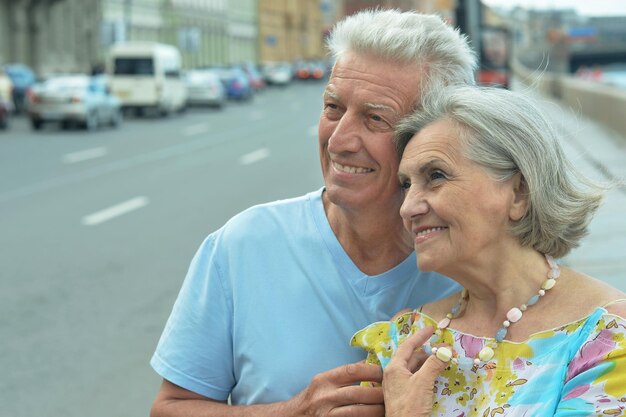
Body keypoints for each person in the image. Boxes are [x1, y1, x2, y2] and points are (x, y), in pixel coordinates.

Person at [149, 8, 477, 417]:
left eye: (375, 118)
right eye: (333, 108)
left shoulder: (475, 267)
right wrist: (291, 411)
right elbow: (172, 408)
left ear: (435, 137)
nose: (338, 140)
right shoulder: (242, 245)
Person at [351, 85, 626, 416]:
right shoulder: (402, 340)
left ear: (519, 192)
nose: (408, 207)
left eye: (435, 176)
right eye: (407, 185)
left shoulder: (606, 340)